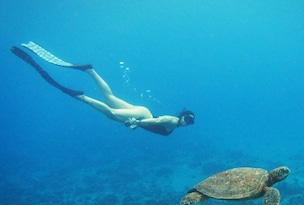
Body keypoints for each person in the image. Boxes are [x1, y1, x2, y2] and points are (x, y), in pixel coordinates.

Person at [11, 41, 195, 136]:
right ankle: (82, 97)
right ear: (182, 115)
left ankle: (90, 70)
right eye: (188, 118)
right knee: (112, 114)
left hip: (143, 112)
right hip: (143, 115)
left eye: (190, 122)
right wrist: (137, 123)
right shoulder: (173, 121)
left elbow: (156, 122)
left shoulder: (174, 122)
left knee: (109, 97)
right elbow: (157, 122)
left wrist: (137, 124)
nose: (187, 122)